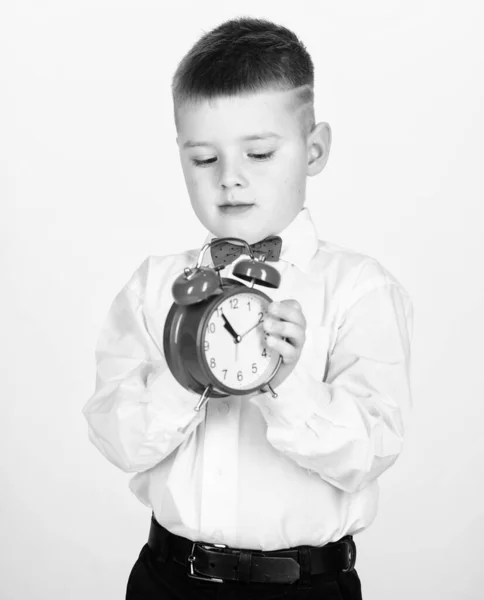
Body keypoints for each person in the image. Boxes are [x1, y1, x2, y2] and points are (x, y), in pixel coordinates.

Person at [82, 16, 413, 600]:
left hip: (305, 585)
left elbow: (370, 452)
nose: (231, 180)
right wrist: (185, 376)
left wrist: (288, 386)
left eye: (259, 153)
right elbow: (117, 438)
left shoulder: (359, 289)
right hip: (170, 579)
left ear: (314, 150)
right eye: (204, 160)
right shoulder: (155, 285)